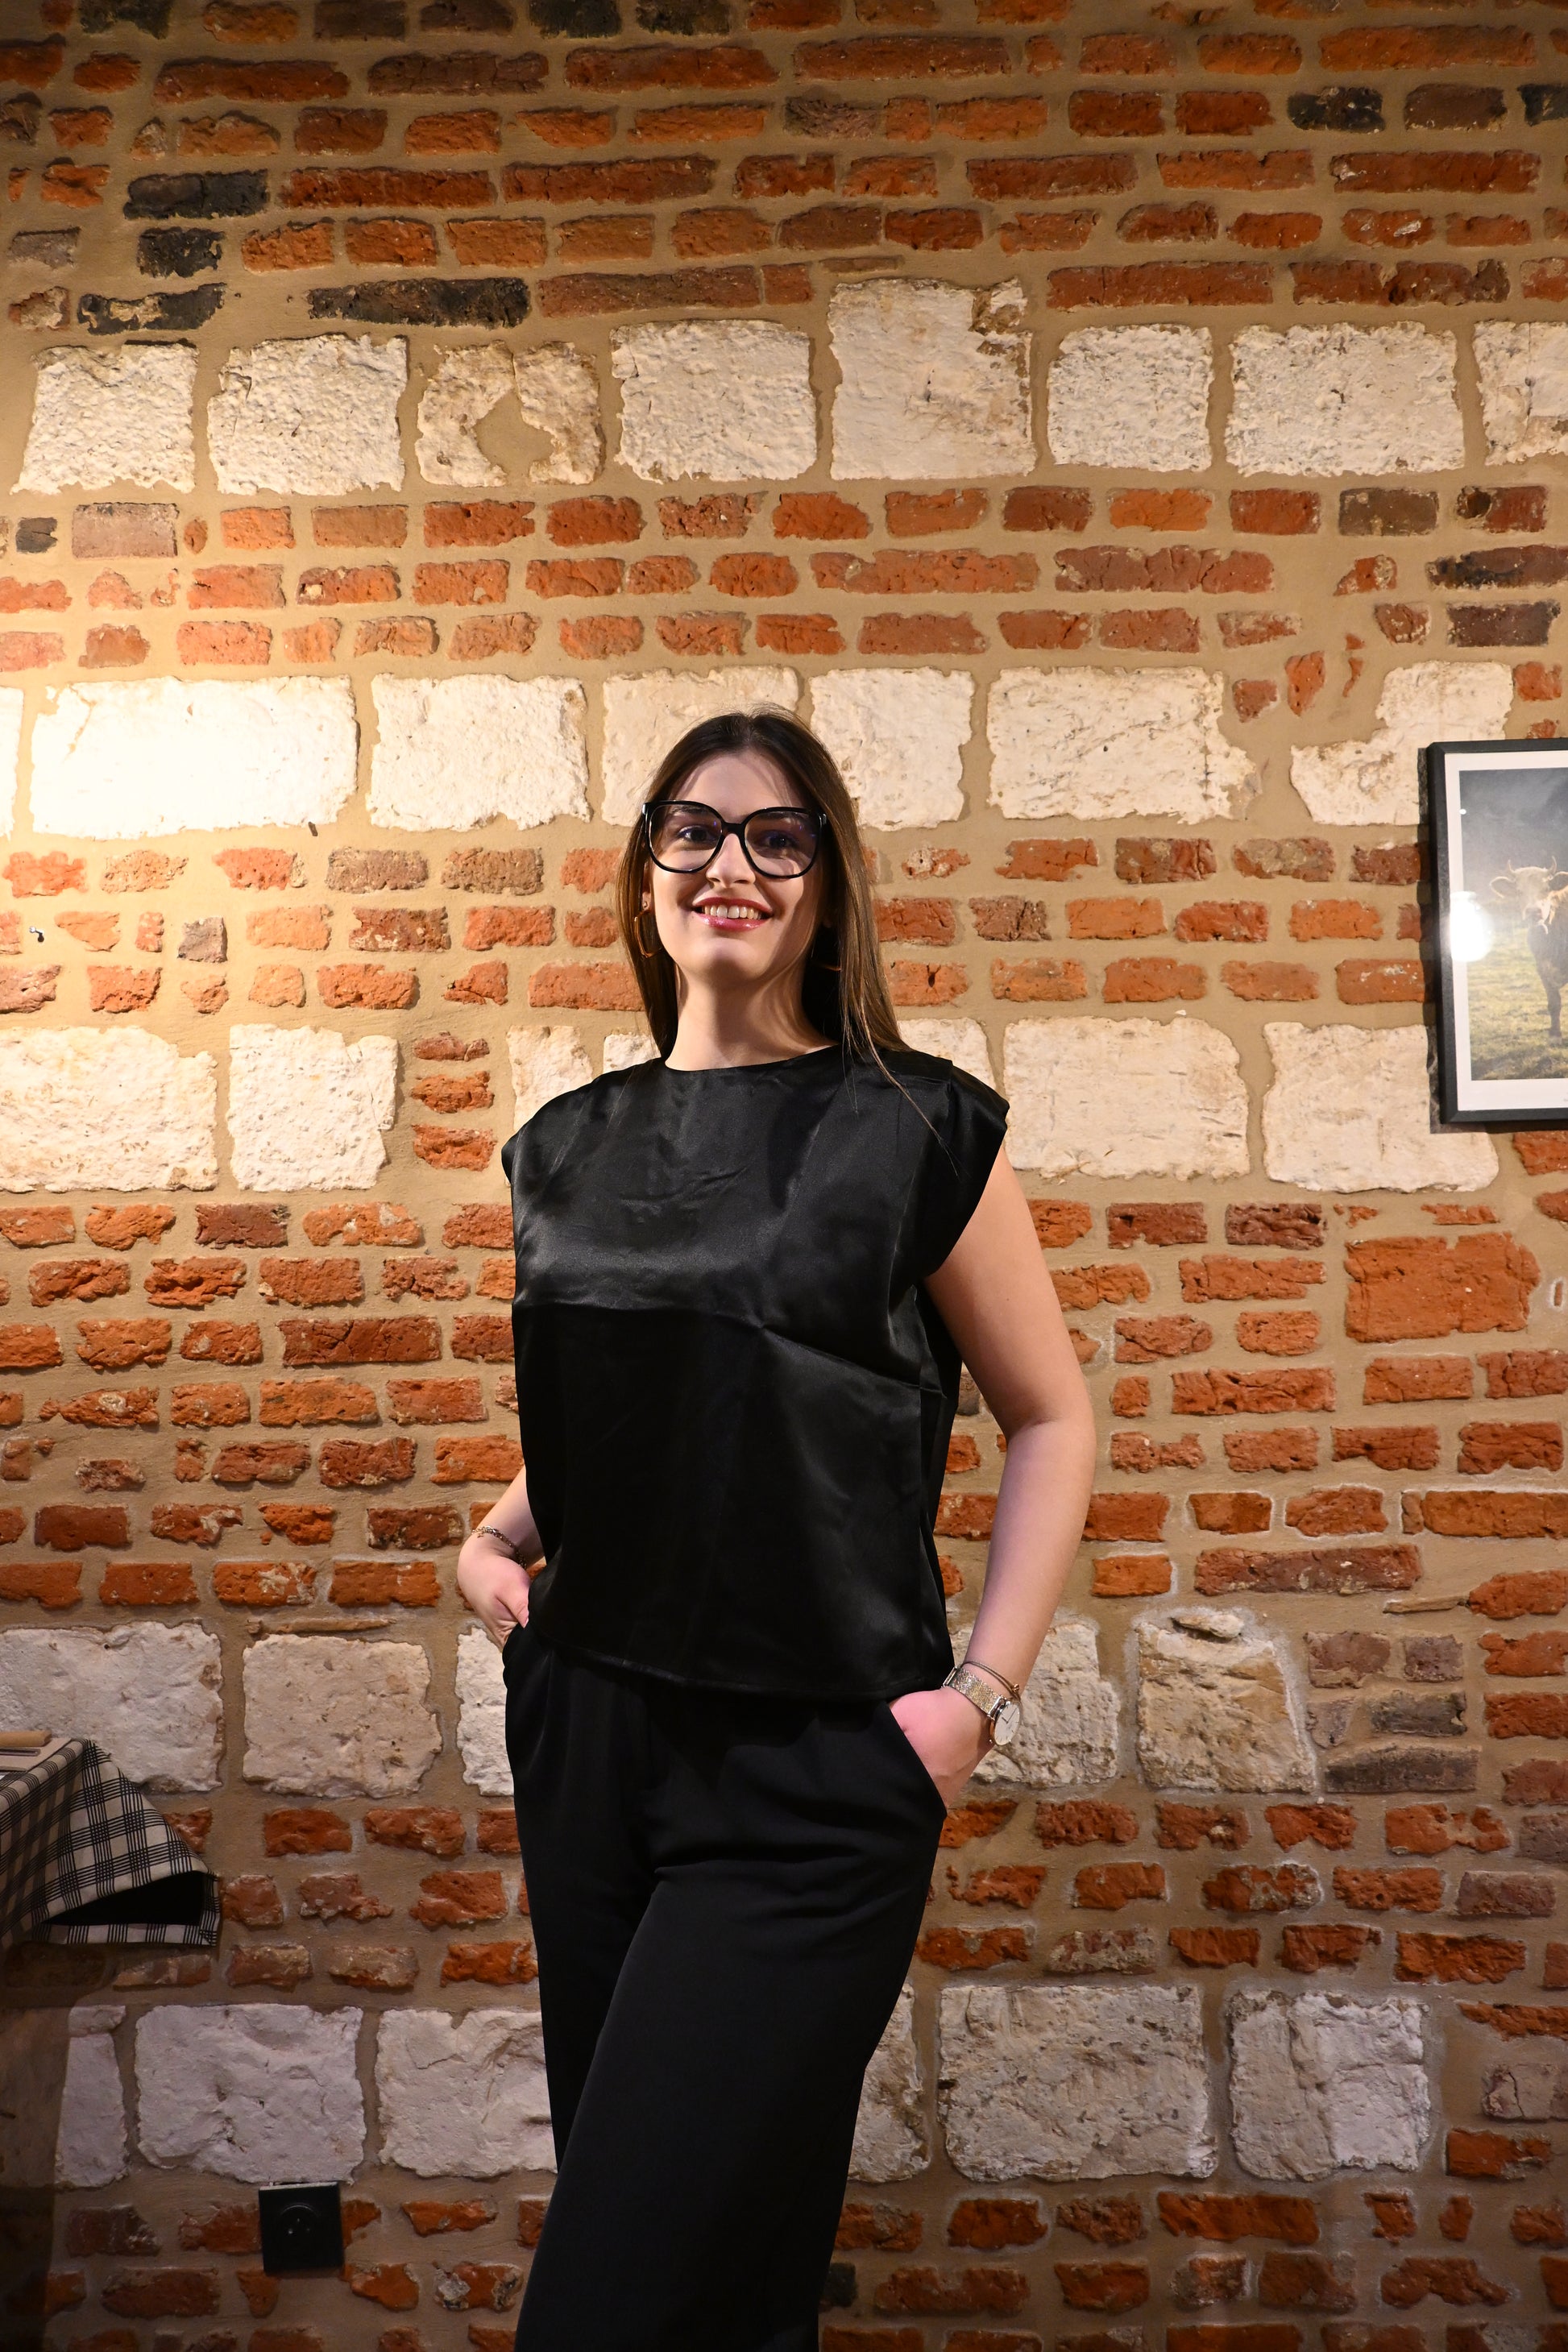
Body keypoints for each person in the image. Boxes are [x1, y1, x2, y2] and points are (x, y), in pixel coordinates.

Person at [455, 707, 1096, 2351]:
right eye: (691, 829)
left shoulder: (917, 1126)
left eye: (775, 834)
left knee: (609, 2304)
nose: (726, 864)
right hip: (594, 1738)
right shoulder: (564, 1147)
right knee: (726, 2291)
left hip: (813, 1764)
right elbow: (654, 1390)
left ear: (827, 882)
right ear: (644, 873)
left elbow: (1050, 1415)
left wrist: (979, 1700)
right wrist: (499, 1537)